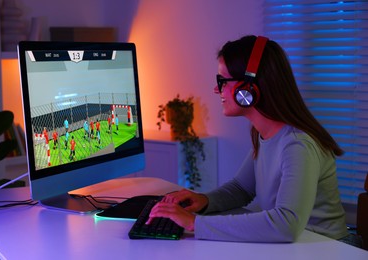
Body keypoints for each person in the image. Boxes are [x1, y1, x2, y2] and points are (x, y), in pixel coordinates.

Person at [147, 35, 352, 244]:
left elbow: (286, 223)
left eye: (222, 81)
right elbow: (242, 188)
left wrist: (194, 223)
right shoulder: (263, 133)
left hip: (329, 248)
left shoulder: (298, 145)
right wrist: (205, 200)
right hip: (297, 246)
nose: (216, 89)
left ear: (248, 89)